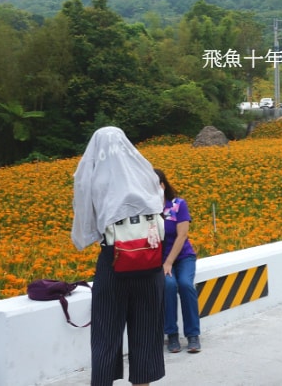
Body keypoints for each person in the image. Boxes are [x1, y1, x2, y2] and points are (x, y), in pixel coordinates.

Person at [72, 126, 166, 386]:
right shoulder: (143, 169)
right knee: (147, 332)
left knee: (105, 335)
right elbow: (159, 203)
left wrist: (91, 234)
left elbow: (85, 219)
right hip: (149, 260)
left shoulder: (92, 176)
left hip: (113, 261)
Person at [156, 168, 201, 354]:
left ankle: (192, 335)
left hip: (182, 257)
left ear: (163, 185)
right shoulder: (146, 211)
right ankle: (172, 334)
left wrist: (168, 262)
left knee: (185, 284)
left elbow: (182, 236)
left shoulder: (177, 205)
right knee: (168, 285)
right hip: (159, 260)